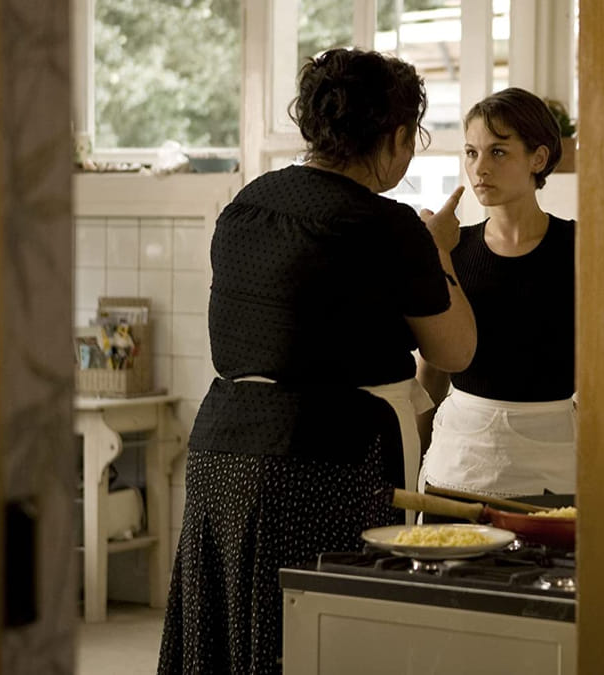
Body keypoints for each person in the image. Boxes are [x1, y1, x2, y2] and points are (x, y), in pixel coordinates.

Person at [157, 48, 475, 674]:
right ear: (396, 135)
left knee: (229, 640)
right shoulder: (387, 225)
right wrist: (438, 251)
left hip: (222, 450)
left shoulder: (246, 204)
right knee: (320, 641)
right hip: (325, 461)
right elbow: (456, 350)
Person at [416, 87, 576, 500]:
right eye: (471, 153)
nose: (480, 168)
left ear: (538, 159)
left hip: (554, 461)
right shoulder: (452, 249)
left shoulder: (579, 248)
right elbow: (432, 370)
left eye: (498, 152)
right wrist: (411, 459)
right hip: (459, 460)